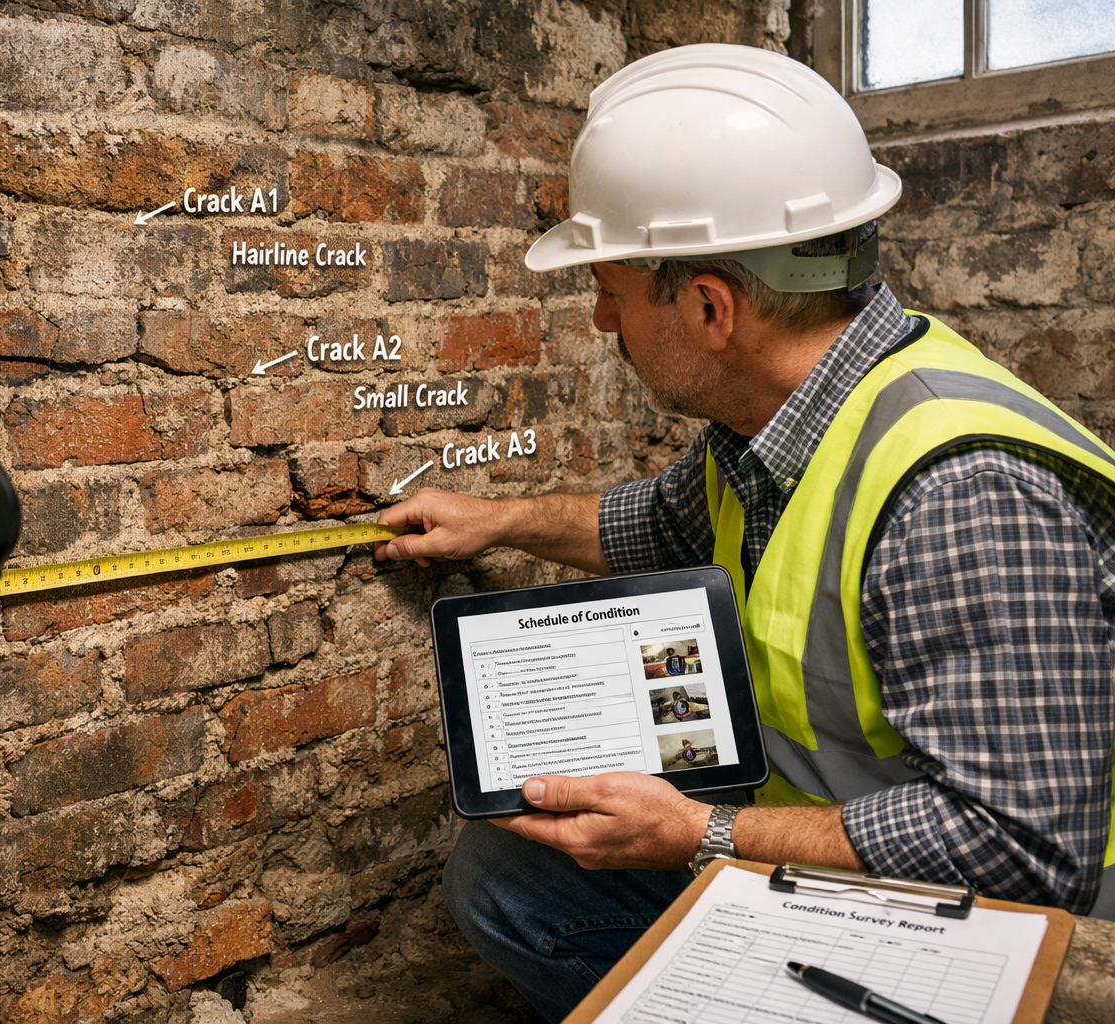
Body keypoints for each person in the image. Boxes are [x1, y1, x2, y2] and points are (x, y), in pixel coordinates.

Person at [374, 43, 1115, 1023]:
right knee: (510, 875)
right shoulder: (776, 419)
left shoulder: (962, 493)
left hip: (1003, 918)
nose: (602, 320)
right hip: (834, 845)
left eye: (614, 290)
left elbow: (1021, 847)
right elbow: (652, 525)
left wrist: (700, 831)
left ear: (710, 305)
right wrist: (495, 520)